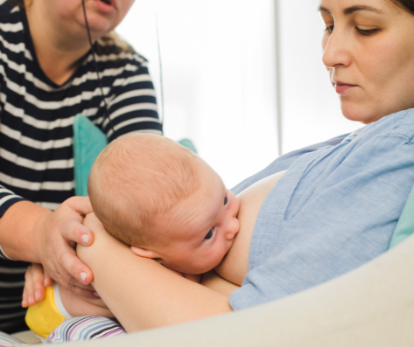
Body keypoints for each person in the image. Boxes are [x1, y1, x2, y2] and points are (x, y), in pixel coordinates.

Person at [14, 0, 414, 341]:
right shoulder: (362, 141)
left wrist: (87, 240)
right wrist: (46, 234)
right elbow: (138, 190)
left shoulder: (397, 153)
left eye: (365, 27)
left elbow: (251, 330)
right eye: (327, 24)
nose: (328, 54)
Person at [0, 0, 162, 334]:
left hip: (44, 325)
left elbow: (150, 201)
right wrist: (41, 235)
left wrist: (63, 248)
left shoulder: (126, 72)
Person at [24, 133, 241, 339]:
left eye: (224, 199)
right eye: (209, 233)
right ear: (148, 253)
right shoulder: (154, 275)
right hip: (51, 314)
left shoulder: (174, 235)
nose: (233, 225)